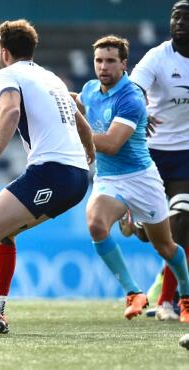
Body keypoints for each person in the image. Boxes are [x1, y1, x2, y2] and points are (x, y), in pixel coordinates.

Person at [0, 19, 95, 334]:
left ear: (3, 50)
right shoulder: (49, 76)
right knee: (3, 234)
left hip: (52, 172)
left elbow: (10, 111)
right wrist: (88, 147)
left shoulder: (7, 74)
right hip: (76, 176)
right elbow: (77, 113)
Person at [73, 35, 189, 322]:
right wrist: (62, 102)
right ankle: (133, 292)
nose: (104, 67)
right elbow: (77, 104)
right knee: (96, 225)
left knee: (167, 246)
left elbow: (112, 144)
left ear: (124, 64)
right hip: (109, 179)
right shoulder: (89, 90)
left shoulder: (131, 98)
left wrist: (78, 135)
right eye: (99, 61)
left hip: (141, 179)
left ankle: (185, 294)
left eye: (111, 61)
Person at [118, 0, 189, 321]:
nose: (179, 22)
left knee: (183, 226)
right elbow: (132, 88)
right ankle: (139, 224)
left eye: (185, 18)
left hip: (186, 156)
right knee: (156, 233)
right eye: (175, 17)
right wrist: (139, 110)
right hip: (154, 152)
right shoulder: (159, 57)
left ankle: (167, 302)